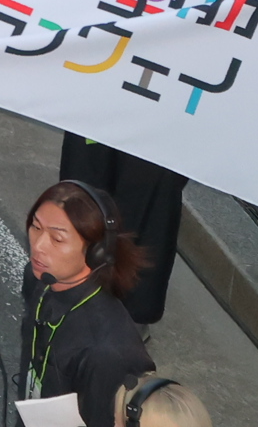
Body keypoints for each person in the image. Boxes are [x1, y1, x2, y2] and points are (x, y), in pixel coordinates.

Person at [20, 179, 158, 426]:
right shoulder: (38, 280)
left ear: (97, 251)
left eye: (57, 239)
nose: (38, 246)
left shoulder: (106, 351)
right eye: (36, 227)